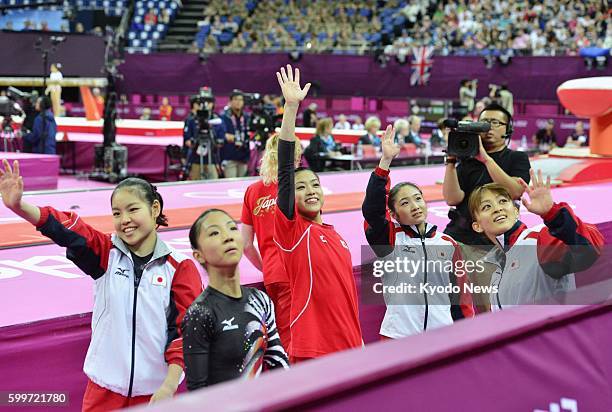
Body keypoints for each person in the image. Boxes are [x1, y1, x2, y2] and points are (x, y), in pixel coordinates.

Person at [0, 160, 203, 411]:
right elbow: (66, 227)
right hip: (102, 393)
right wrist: (19, 206)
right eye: (117, 213)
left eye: (132, 209)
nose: (124, 220)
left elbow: (187, 334)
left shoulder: (180, 267)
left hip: (155, 394)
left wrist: (168, 387)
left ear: (154, 208)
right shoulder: (106, 253)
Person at [274, 65, 362, 362]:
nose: (310, 190)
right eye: (302, 187)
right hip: (314, 350)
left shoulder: (337, 237)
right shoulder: (294, 232)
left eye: (315, 184)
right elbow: (286, 169)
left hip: (351, 347)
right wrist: (291, 108)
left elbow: (347, 300)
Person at [362, 126, 474, 338]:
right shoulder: (389, 238)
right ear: (393, 214)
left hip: (443, 337)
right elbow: (372, 211)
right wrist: (384, 163)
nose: (415, 205)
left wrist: (466, 334)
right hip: (398, 337)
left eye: (418, 198)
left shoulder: (448, 243)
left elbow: (461, 297)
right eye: (405, 202)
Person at [182, 209, 289, 390]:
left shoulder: (260, 300)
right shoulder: (200, 313)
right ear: (198, 255)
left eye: (232, 228)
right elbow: (197, 393)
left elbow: (278, 361)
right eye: (215, 233)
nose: (228, 237)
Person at [468, 171, 603, 310]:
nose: (497, 209)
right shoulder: (495, 270)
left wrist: (552, 213)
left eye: (502, 201)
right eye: (486, 207)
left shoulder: (537, 238)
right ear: (477, 226)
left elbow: (590, 247)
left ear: (516, 211)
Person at [241, 134, 303, 348]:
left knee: (278, 333)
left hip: (272, 274)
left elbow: (246, 245)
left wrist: (266, 266)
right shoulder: (298, 187)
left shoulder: (252, 191)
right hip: (295, 271)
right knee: (292, 337)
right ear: (294, 158)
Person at [443, 102, 531, 246]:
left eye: (495, 122)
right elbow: (452, 199)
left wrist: (486, 159)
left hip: (496, 237)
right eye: (484, 122)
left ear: (507, 129)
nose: (489, 127)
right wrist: (451, 161)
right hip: (459, 233)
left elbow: (515, 191)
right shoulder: (467, 158)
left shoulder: (517, 158)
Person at [182, 96, 223, 180]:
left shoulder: (215, 120)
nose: (206, 105)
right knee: (195, 182)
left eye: (209, 103)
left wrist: (215, 141)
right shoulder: (191, 120)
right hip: (196, 159)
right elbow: (188, 141)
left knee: (214, 183)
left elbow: (220, 140)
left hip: (211, 159)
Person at [220, 90, 250, 178]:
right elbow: (221, 135)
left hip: (243, 156)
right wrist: (228, 137)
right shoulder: (224, 117)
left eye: (241, 100)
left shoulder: (246, 117)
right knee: (231, 186)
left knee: (242, 187)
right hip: (229, 156)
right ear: (230, 101)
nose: (238, 102)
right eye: (236, 99)